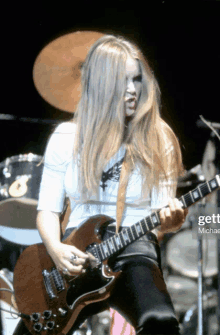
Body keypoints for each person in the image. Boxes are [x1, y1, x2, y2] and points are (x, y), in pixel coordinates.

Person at [14, 34, 188, 335]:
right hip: (75, 252)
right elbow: (47, 211)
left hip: (134, 248)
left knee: (161, 322)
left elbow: (162, 218)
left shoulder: (158, 138)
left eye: (137, 80)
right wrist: (56, 249)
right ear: (100, 85)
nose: (133, 90)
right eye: (123, 82)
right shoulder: (66, 137)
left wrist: (172, 221)